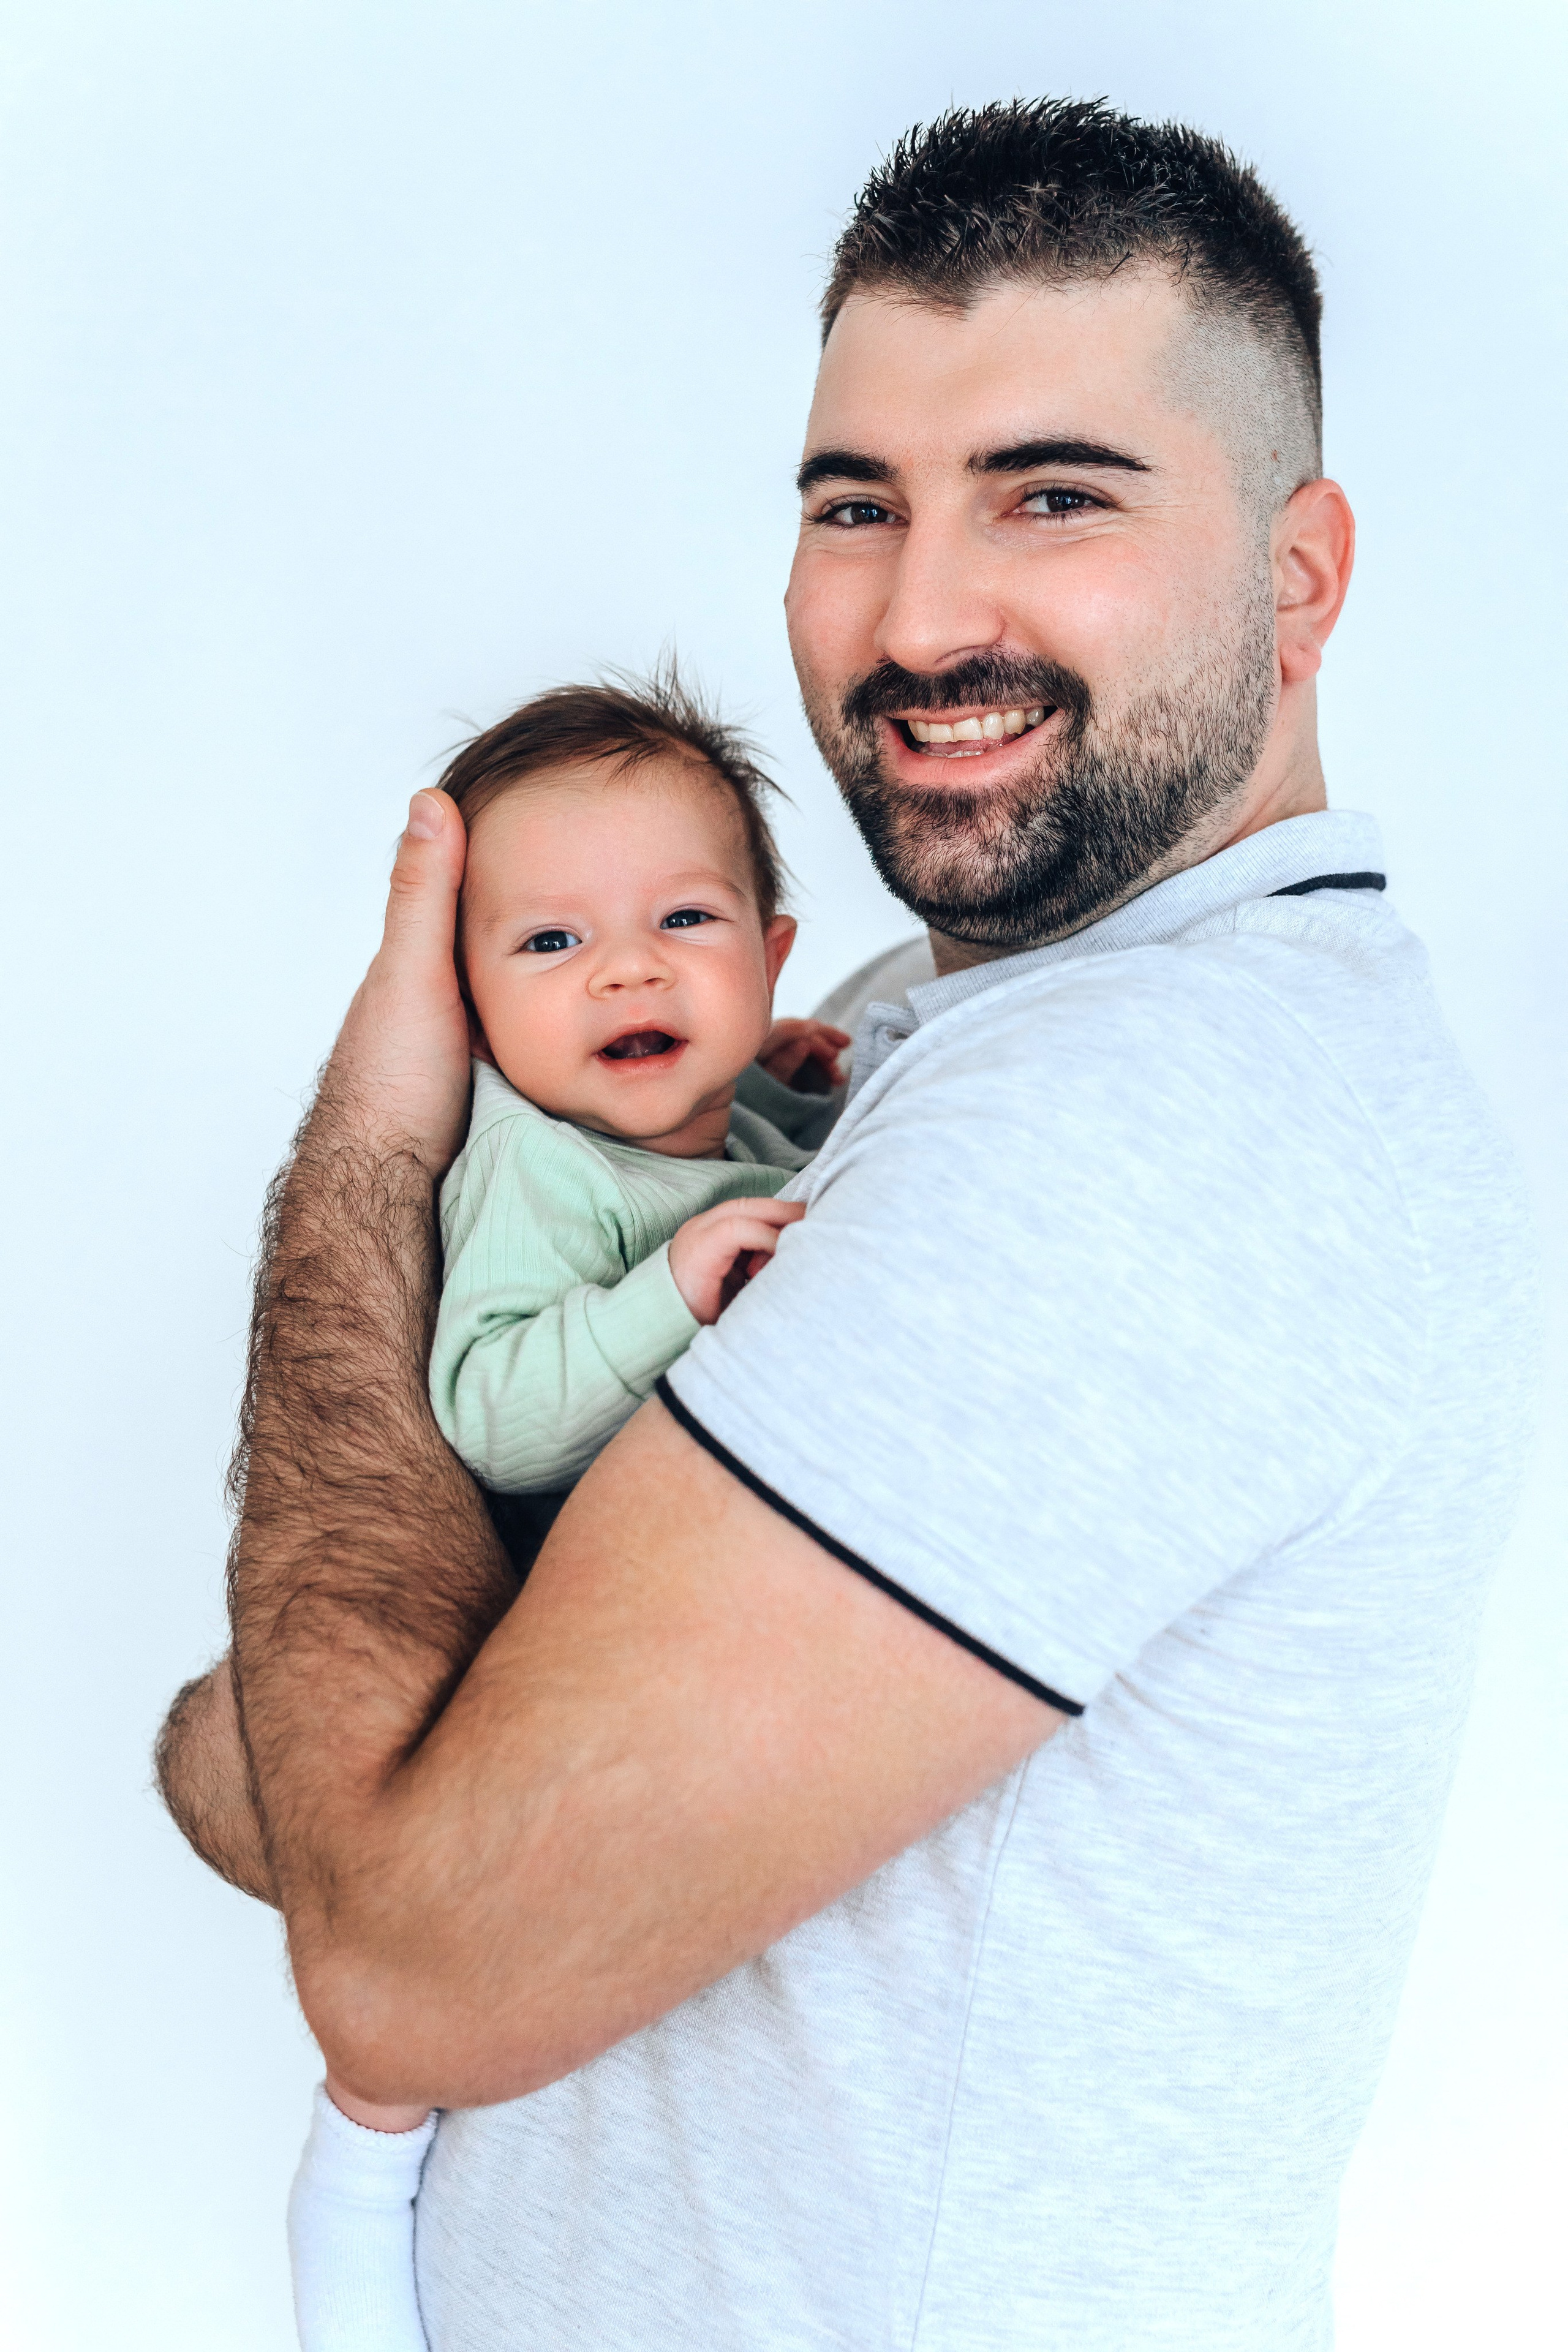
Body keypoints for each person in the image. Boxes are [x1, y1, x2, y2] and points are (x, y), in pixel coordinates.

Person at [156, 97, 1540, 2349]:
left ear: (1296, 578)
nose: (919, 618)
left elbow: (392, 1940)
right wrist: (359, 1768)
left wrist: (376, 1136)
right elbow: (286, 1784)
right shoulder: (906, 1043)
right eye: (853, 507)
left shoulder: (1146, 1125)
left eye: (1054, 496)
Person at [286, 671, 845, 2348]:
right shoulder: (538, 1163)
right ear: (462, 1003)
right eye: (547, 945)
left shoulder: (719, 1115)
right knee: (399, 2085)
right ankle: (353, 2206)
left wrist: (794, 1098)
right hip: (520, 1689)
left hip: (653, 1668)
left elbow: (757, 1160)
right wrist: (670, 1291)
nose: (626, 967)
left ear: (772, 957)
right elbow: (496, 1412)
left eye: (687, 918)